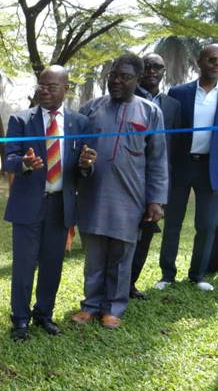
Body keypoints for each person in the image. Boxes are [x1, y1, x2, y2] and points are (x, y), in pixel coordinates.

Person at [71, 53, 168, 329]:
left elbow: (157, 159)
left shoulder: (150, 112)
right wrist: (83, 163)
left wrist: (156, 200)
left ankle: (113, 308)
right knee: (94, 255)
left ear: (138, 79)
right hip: (94, 194)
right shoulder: (90, 109)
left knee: (121, 256)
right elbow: (75, 152)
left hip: (131, 196)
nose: (116, 81)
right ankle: (90, 305)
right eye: (113, 75)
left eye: (124, 77)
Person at [4, 65, 96, 341]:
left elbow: (86, 165)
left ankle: (44, 314)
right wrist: (24, 163)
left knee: (52, 264)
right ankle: (20, 319)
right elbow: (8, 158)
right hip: (28, 204)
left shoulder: (80, 123)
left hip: (60, 205)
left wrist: (86, 164)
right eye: (41, 85)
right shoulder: (21, 120)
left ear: (66, 89)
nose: (44, 91)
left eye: (51, 86)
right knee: (24, 265)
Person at [157, 43, 218, 291]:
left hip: (211, 169)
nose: (216, 64)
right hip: (181, 165)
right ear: (200, 62)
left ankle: (198, 275)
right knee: (173, 222)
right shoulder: (178, 93)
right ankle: (167, 275)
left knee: (207, 225)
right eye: (211, 59)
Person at [129, 53, 182, 299]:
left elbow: (174, 146)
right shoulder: (127, 97)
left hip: (158, 179)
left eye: (157, 67)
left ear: (163, 72)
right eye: (147, 66)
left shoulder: (173, 105)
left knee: (148, 231)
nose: (152, 71)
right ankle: (113, 285)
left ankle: (130, 284)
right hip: (129, 177)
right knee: (125, 234)